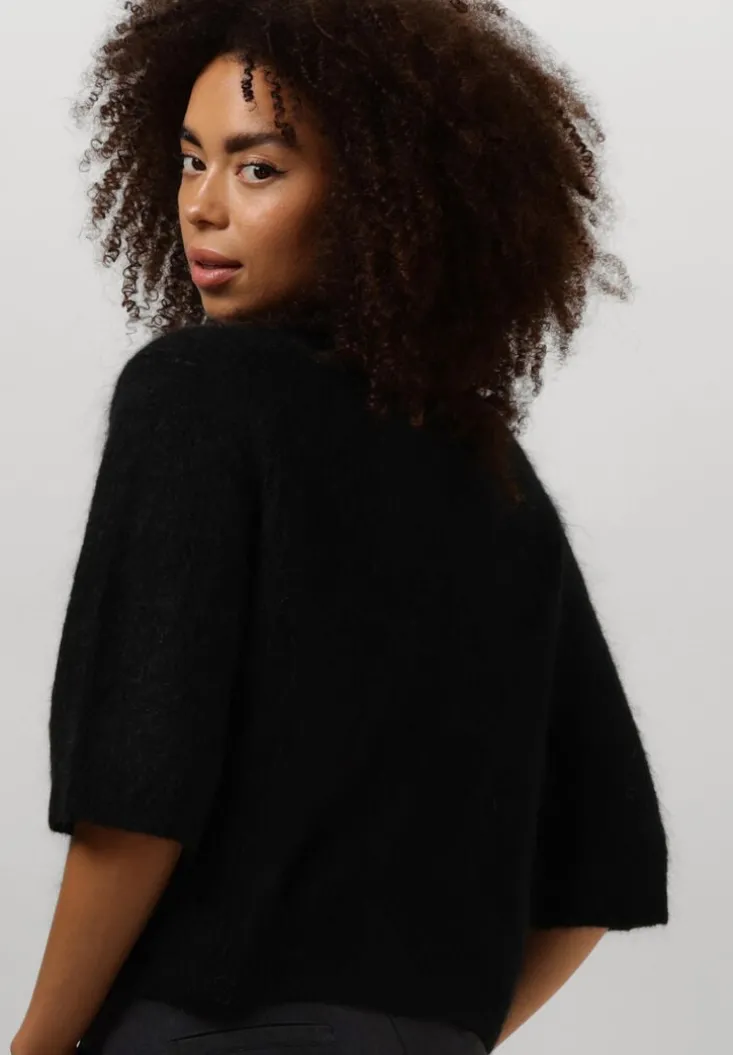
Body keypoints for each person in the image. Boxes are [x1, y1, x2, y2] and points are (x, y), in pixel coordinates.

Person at [11, 2, 669, 1054]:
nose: (203, 207)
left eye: (258, 168)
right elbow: (608, 858)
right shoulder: (489, 469)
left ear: (373, 192)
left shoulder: (197, 393)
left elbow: (134, 800)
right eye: (190, 161)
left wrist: (37, 1044)